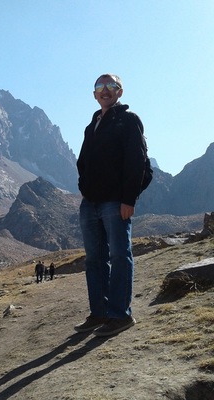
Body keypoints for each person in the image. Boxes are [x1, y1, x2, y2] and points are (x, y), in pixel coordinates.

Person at [75, 73, 150, 337]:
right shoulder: (92, 125)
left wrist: (128, 199)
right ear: (94, 94)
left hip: (115, 202)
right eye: (100, 86)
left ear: (120, 92)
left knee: (119, 256)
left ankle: (120, 315)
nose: (105, 90)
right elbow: (83, 162)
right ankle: (99, 312)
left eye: (111, 86)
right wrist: (85, 188)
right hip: (90, 203)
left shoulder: (128, 120)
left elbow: (138, 161)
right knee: (94, 259)